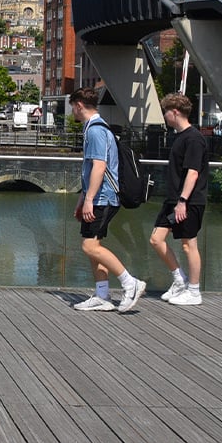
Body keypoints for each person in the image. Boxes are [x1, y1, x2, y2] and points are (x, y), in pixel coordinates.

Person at [68, 86, 147, 312]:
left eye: (73, 106)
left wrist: (90, 199)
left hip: (103, 197)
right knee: (95, 245)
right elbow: (90, 168)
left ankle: (130, 282)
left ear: (79, 105)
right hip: (97, 196)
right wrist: (82, 199)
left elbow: (99, 167)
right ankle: (102, 294)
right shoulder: (95, 128)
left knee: (89, 245)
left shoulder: (95, 131)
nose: (72, 111)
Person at [151, 93, 209, 306]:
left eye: (166, 112)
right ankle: (179, 279)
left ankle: (194, 291)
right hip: (174, 199)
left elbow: (193, 172)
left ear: (174, 112)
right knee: (156, 239)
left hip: (189, 201)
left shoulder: (194, 139)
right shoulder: (180, 137)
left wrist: (183, 201)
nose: (165, 117)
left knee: (188, 245)